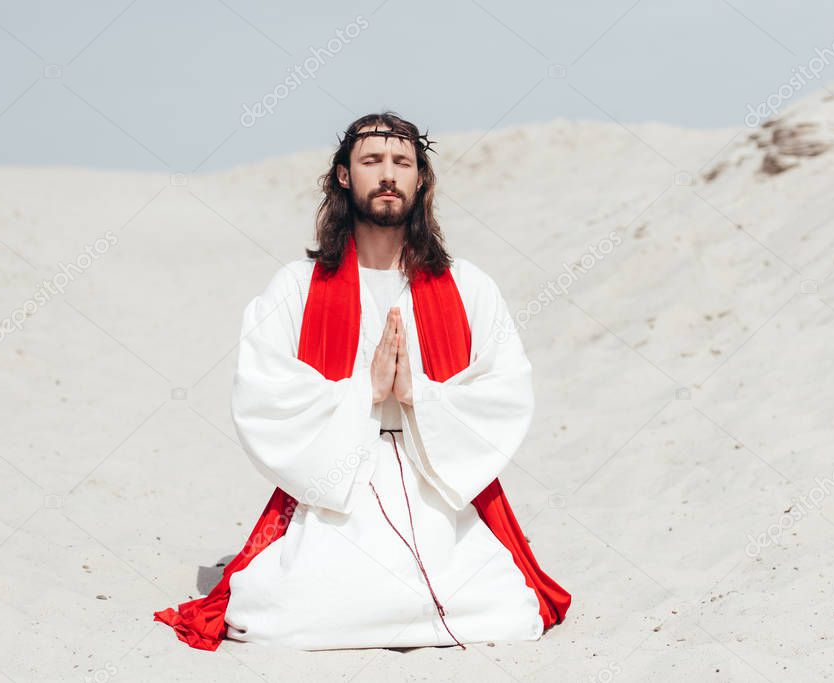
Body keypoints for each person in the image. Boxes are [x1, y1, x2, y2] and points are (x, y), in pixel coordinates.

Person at [153, 112, 571, 651]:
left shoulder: (468, 286)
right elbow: (263, 392)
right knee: (286, 616)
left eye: (403, 162)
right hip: (342, 480)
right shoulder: (296, 287)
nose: (388, 174)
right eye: (372, 161)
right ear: (345, 177)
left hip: (436, 479)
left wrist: (419, 395)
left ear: (421, 180)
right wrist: (364, 393)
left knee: (504, 613)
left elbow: (506, 387)